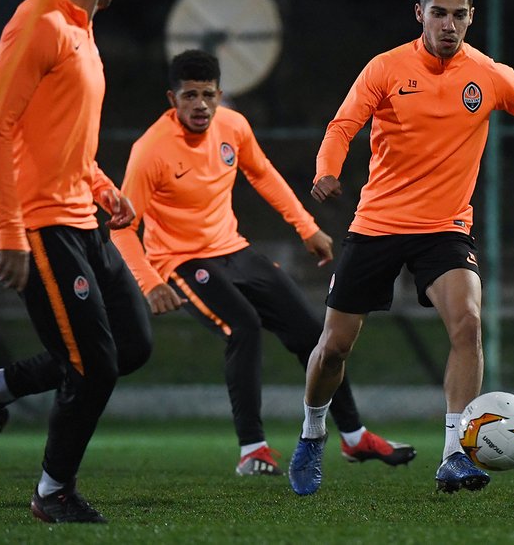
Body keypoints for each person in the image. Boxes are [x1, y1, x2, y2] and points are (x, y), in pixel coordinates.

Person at [288, 0, 514, 496]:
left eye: (459, 15)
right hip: (378, 224)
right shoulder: (386, 68)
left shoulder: (488, 74)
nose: (448, 25)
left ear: (472, 16)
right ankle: (312, 434)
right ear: (420, 13)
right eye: (439, 13)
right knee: (334, 347)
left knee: (468, 324)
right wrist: (326, 169)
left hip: (445, 228)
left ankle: (454, 454)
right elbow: (343, 124)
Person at [108, 49, 415, 476]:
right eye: (190, 95)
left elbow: (263, 174)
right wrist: (150, 283)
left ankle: (353, 436)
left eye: (208, 94)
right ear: (172, 99)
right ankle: (252, 449)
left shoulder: (233, 126)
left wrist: (306, 227)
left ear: (220, 95)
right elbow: (122, 227)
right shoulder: (151, 150)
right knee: (244, 328)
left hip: (233, 249)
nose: (200, 104)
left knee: (313, 333)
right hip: (181, 262)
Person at [0, 0, 153, 524]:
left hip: (83, 218)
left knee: (131, 344)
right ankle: (52, 492)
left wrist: (103, 187)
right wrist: (11, 232)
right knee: (92, 367)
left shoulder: (81, 31)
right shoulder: (39, 21)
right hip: (42, 225)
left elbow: (62, 142)